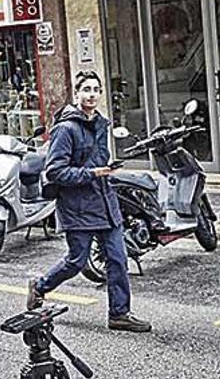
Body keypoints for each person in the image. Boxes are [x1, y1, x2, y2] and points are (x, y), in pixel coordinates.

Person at [27, 70, 151, 333]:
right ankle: (40, 286)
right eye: (86, 90)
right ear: (77, 93)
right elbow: (55, 171)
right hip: (78, 206)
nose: (91, 95)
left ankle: (119, 314)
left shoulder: (101, 124)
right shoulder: (66, 129)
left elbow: (99, 161)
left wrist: (104, 171)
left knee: (118, 259)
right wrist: (91, 173)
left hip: (105, 202)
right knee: (76, 260)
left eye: (96, 89)